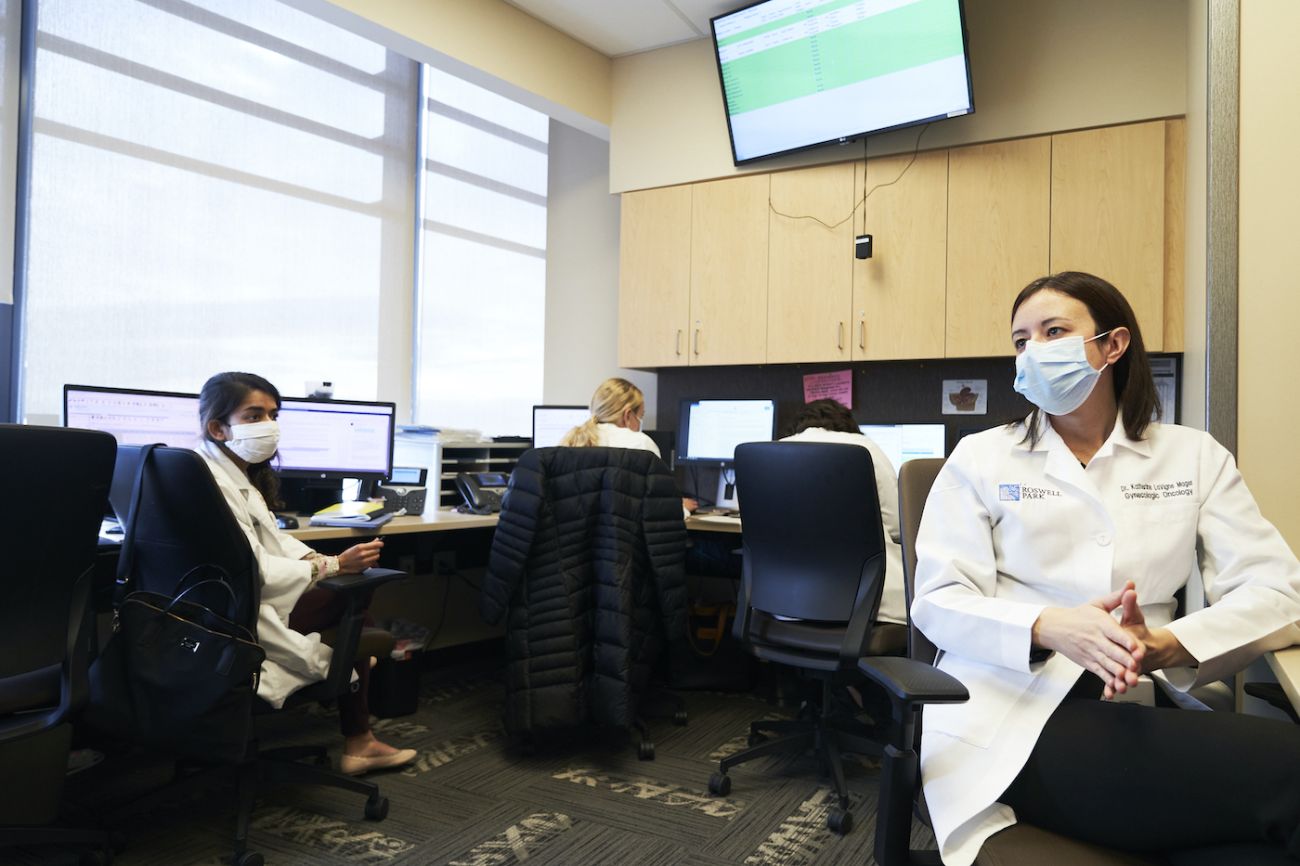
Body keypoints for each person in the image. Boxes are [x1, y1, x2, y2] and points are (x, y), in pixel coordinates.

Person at [911, 272, 1300, 865]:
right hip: (1009, 714)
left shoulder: (1192, 455)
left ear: (1112, 346)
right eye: (1021, 340)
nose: (1034, 351)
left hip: (1134, 704)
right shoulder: (982, 457)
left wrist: (1169, 644)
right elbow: (937, 599)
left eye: (1054, 331)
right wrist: (1048, 626)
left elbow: (1278, 590)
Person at [197, 372, 416, 776]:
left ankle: (358, 716)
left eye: (273, 414)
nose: (269, 425)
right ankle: (359, 734)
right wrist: (333, 566)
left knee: (350, 599)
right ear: (218, 427)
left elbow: (269, 542)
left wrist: (320, 557)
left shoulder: (221, 471)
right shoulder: (215, 483)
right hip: (240, 615)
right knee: (355, 596)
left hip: (210, 610)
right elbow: (255, 568)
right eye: (253, 415)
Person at [780, 398, 905, 627]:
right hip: (865, 608)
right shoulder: (864, 448)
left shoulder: (775, 451)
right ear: (848, 426)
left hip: (783, 603)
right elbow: (898, 526)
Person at [560, 377, 697, 512]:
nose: (640, 422)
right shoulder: (640, 443)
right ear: (627, 415)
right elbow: (657, 510)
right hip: (624, 533)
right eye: (641, 416)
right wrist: (682, 509)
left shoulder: (572, 441)